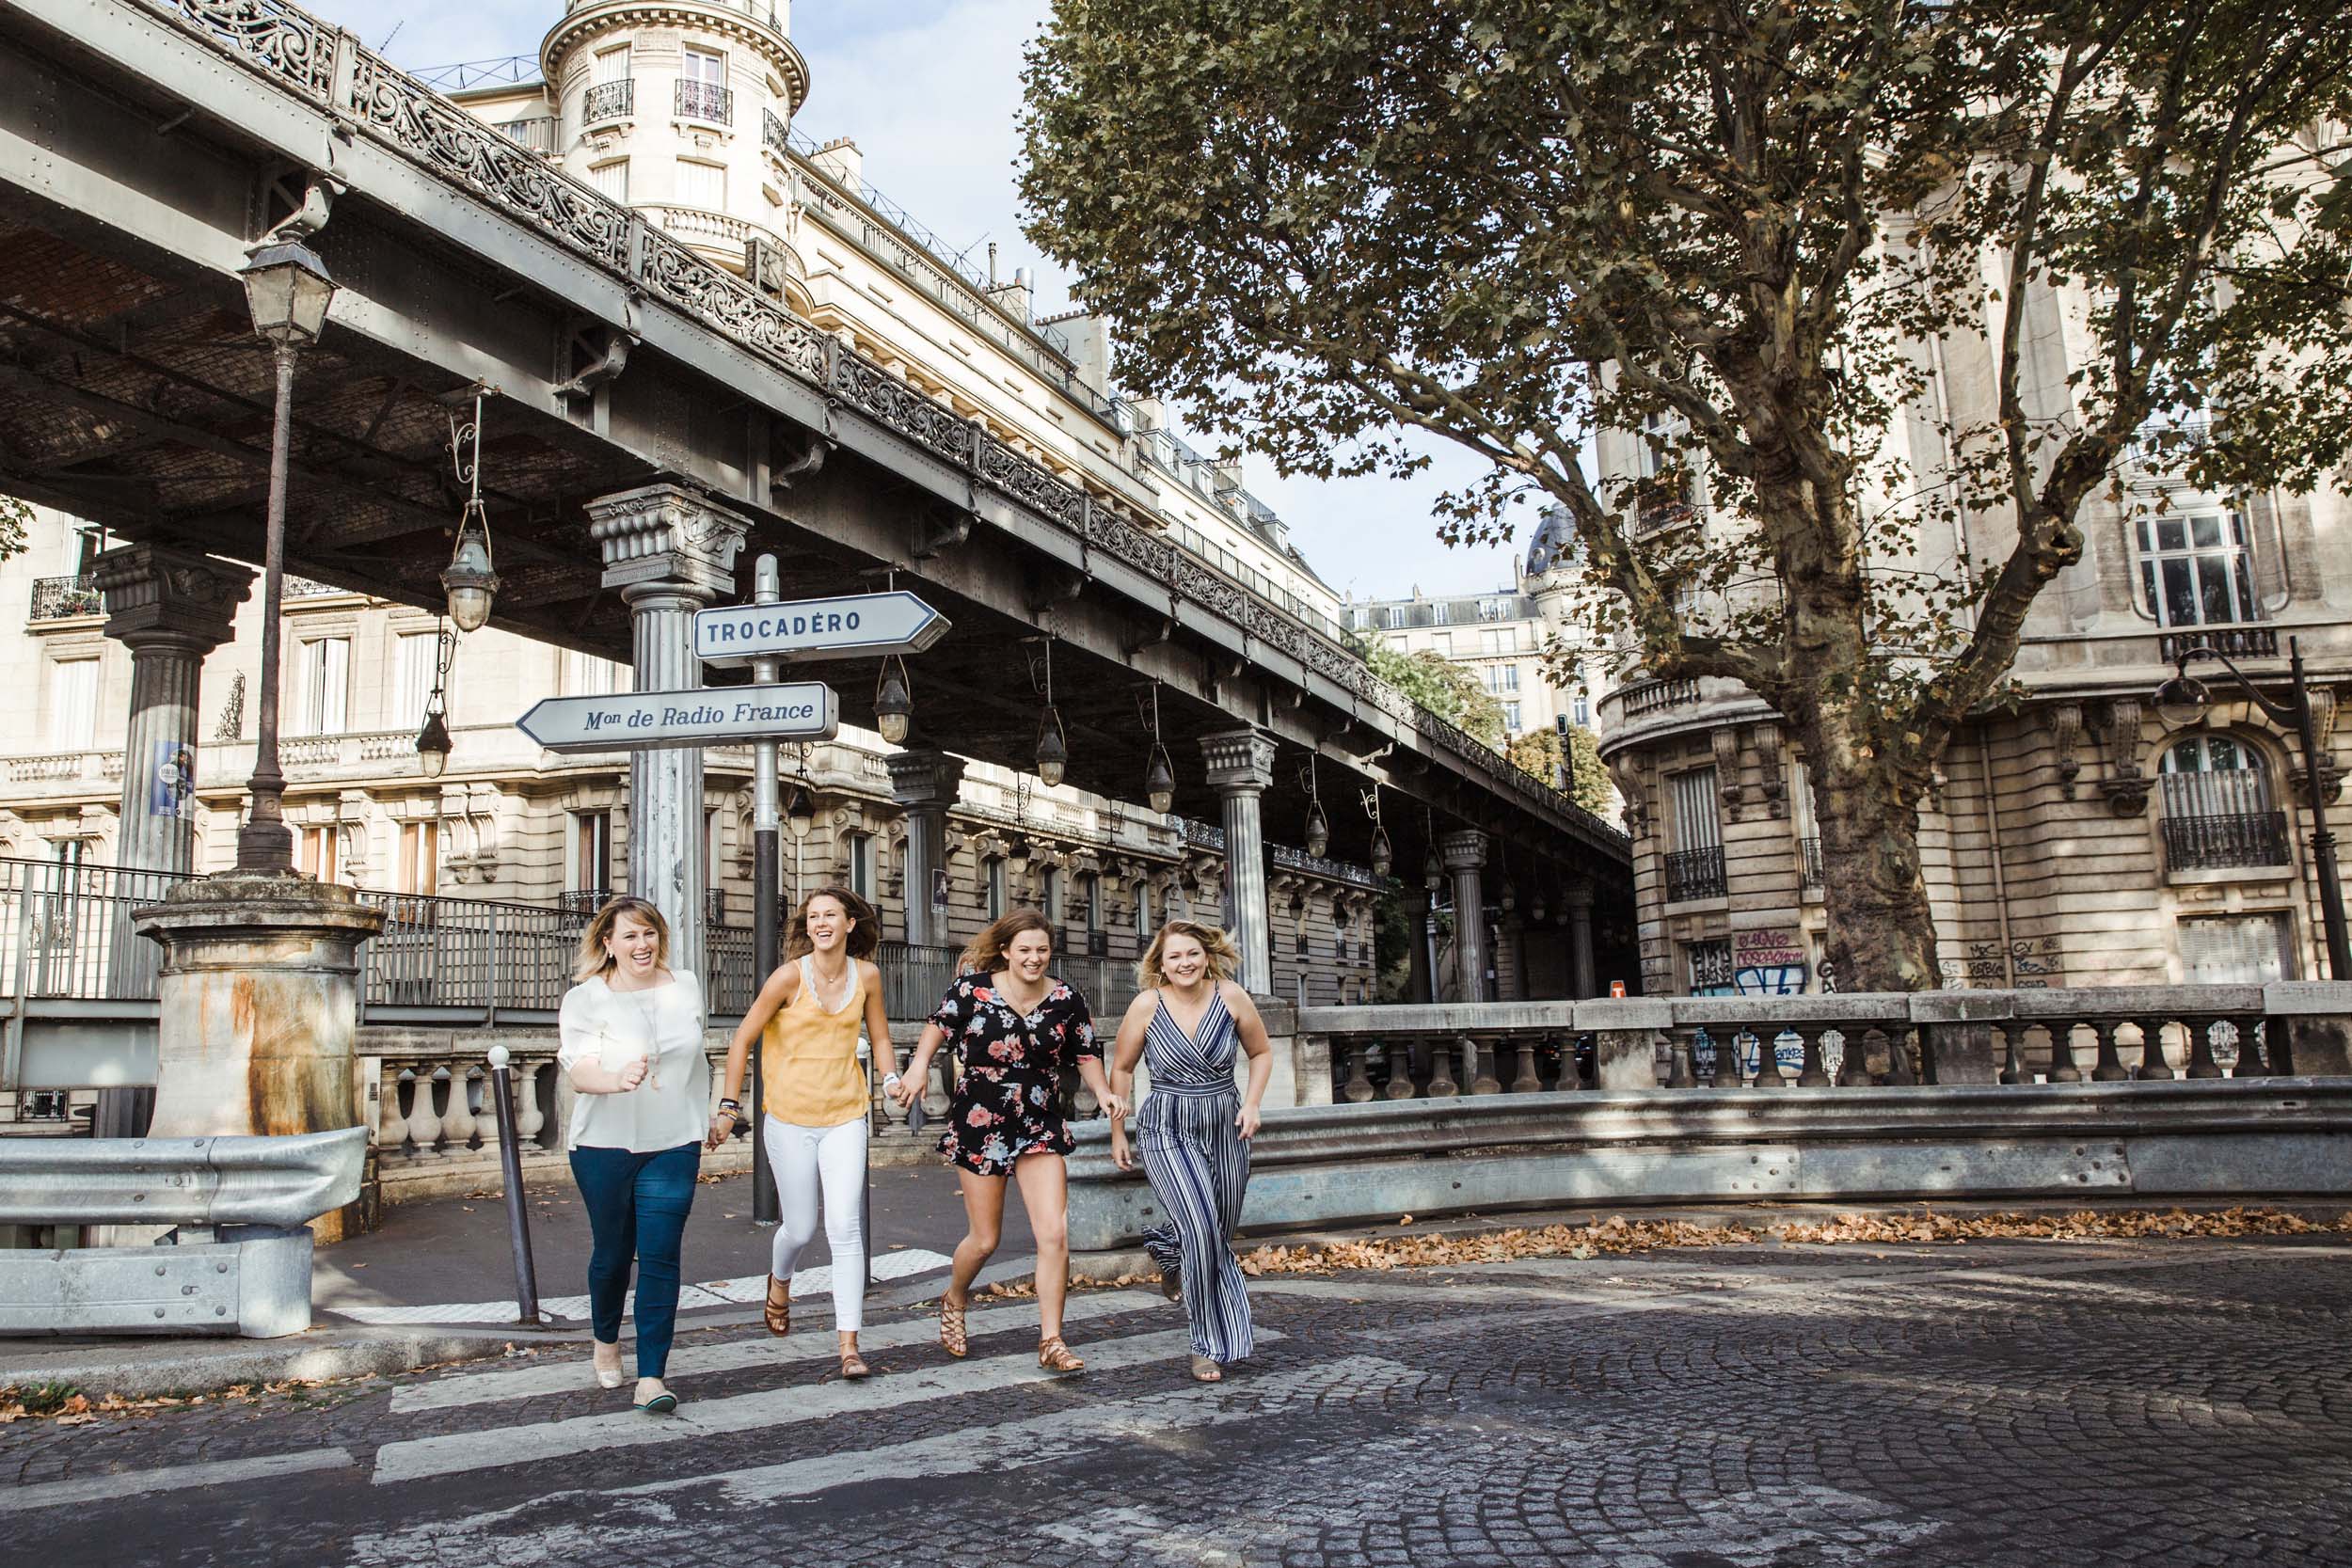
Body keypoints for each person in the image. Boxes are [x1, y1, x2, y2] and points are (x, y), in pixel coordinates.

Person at [886, 909, 1122, 1372]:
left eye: (1042, 950)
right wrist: (917, 1068)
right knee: (985, 1239)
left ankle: (1051, 1339)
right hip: (981, 1116)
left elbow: (1086, 1052)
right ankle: (955, 1297)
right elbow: (937, 1026)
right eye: (1025, 950)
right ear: (1006, 951)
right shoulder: (971, 989)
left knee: (1054, 1233)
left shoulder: (1066, 998)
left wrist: (1105, 1093)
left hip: (1039, 1119)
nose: (1034, 958)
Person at [710, 885, 893, 1380]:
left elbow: (878, 1037)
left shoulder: (868, 976)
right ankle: (780, 1278)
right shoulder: (788, 978)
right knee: (800, 1229)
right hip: (789, 1118)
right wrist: (729, 1106)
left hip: (845, 1116)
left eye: (830, 914)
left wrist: (893, 1079)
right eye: (813, 917)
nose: (821, 923)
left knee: (844, 1227)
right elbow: (742, 1039)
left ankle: (849, 1345)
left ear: (850, 923)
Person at [556, 896, 708, 1415]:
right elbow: (579, 1070)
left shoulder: (685, 985)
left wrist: (710, 1113)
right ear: (608, 943)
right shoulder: (586, 999)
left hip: (674, 1143)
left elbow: (697, 1059)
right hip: (604, 1146)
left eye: (648, 934)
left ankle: (652, 1376)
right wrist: (614, 1081)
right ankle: (605, 1339)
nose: (641, 945)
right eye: (629, 936)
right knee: (613, 1255)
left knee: (662, 1257)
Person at [1107, 921, 1271, 1382]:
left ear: (1207, 956)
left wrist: (1254, 1103)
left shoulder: (1231, 996)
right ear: (1161, 964)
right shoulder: (1146, 1006)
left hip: (1226, 1123)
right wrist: (1119, 1132)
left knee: (1216, 1228)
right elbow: (1121, 1069)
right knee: (1201, 1229)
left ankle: (1171, 1255)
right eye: (1175, 956)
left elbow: (1260, 1053)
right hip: (1166, 1125)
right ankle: (1207, 1342)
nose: (1185, 963)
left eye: (1193, 954)